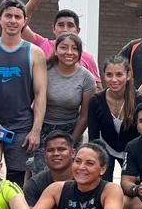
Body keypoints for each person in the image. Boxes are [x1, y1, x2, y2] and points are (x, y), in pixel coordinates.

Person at [0, 0, 47, 184]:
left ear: (25, 21)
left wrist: (36, 130)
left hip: (22, 127)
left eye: (18, 17)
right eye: (8, 16)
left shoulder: (35, 53)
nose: (13, 21)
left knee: (17, 181)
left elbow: (40, 95)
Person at [22, 0, 102, 82]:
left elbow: (97, 88)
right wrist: (34, 1)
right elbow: (21, 26)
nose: (65, 29)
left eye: (70, 25)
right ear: (53, 29)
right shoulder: (42, 45)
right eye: (61, 25)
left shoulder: (88, 59)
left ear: (78, 31)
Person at [86, 56, 142, 181]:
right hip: (106, 148)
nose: (114, 80)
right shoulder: (96, 101)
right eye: (109, 75)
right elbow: (93, 137)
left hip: (133, 150)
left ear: (128, 75)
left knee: (133, 186)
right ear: (103, 76)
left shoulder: (140, 100)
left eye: (119, 74)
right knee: (101, 184)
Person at [35, 32, 96, 161]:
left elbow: (84, 116)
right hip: (41, 128)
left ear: (80, 53)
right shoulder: (43, 70)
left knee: (67, 171)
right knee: (41, 170)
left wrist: (71, 142)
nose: (69, 52)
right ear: (55, 51)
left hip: (71, 131)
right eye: (63, 47)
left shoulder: (87, 78)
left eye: (74, 48)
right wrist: (35, 131)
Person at [24, 131, 76, 206]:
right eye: (50, 150)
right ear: (45, 155)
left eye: (61, 149)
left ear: (73, 153)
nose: (56, 153)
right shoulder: (34, 185)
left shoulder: (86, 180)